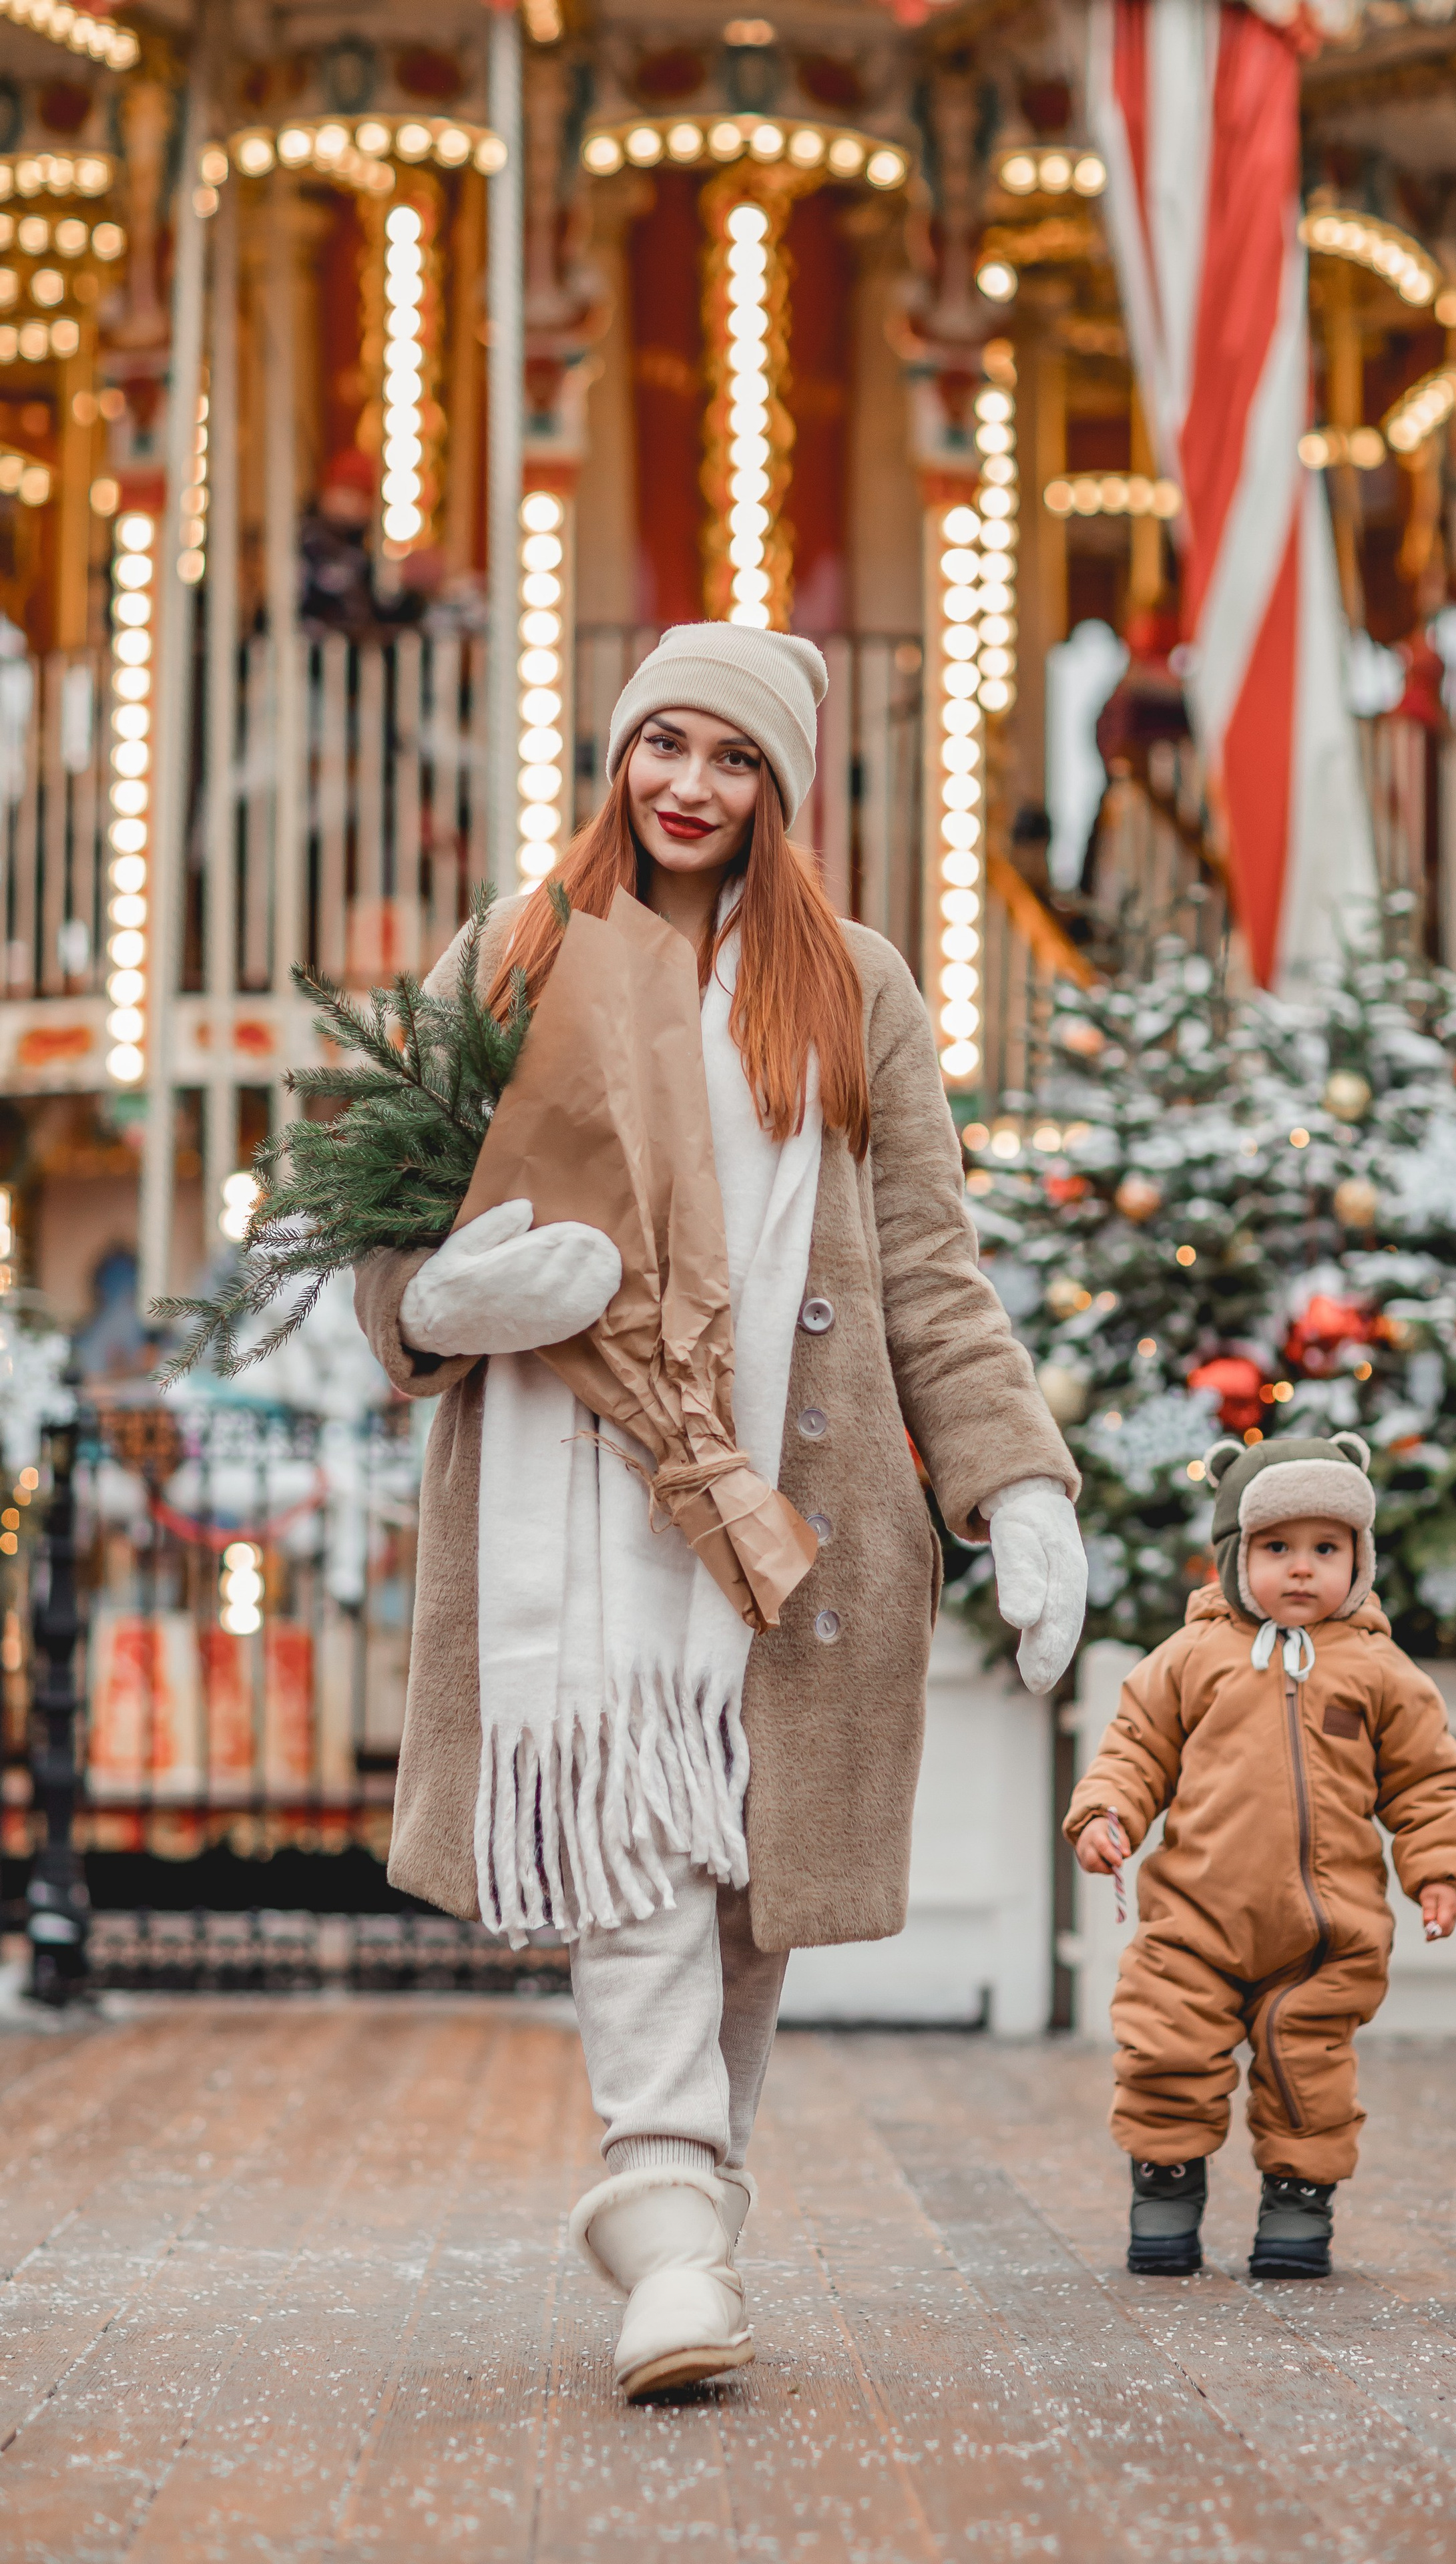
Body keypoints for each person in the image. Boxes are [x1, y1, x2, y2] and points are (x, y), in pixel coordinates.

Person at [353, 622, 1086, 2396]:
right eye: (662, 744)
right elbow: (381, 1214)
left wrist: (1018, 1480)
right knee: (644, 1846)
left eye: (732, 757)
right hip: (573, 1496)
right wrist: (441, 1305)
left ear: (781, 787)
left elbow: (926, 1262)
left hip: (782, 1503)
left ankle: (680, 2194)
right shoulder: (510, 958)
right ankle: (669, 2225)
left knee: (743, 1887)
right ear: (620, 755)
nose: (688, 784)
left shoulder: (855, 986)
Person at [1065, 1432, 1456, 2280]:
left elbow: (1427, 1781)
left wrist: (1439, 1869)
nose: (1301, 1570)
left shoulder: (1378, 1669)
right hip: (1195, 1918)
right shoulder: (1192, 1657)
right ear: (1232, 1556)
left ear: (1357, 1561)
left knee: (1310, 2068)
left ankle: (1298, 2202)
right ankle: (1166, 2187)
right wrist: (1106, 1814)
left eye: (1325, 1550)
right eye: (1276, 1549)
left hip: (1327, 1932)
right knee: (1165, 2048)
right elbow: (1135, 1747)